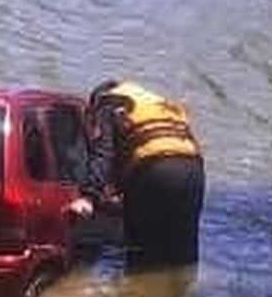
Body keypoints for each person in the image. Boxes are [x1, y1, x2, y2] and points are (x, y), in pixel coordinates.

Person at [84, 79, 205, 268]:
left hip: (154, 169)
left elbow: (104, 153)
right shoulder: (155, 102)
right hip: (194, 171)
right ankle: (184, 293)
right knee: (185, 251)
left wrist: (88, 196)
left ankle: (141, 291)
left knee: (142, 251)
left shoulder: (108, 103)